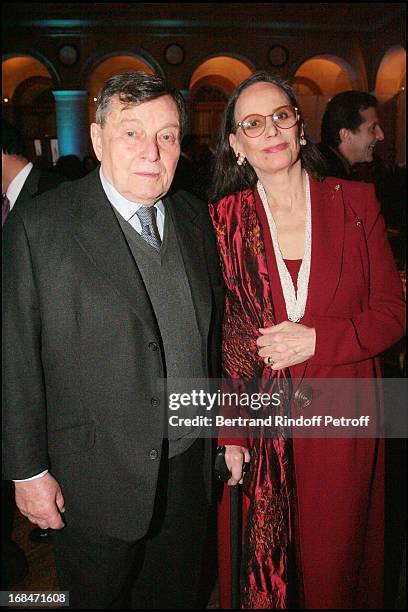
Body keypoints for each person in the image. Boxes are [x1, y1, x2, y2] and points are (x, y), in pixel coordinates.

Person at [2, 72, 223, 609]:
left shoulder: (195, 217)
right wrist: (27, 470)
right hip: (95, 478)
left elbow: (211, 335)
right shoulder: (40, 224)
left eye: (167, 135)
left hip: (189, 467)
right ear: (98, 140)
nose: (152, 150)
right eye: (132, 133)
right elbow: (14, 356)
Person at [208, 71, 405, 608]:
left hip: (343, 413)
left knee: (334, 565)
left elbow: (393, 312)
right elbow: (227, 333)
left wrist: (321, 339)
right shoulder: (222, 222)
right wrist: (231, 431)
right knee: (261, 568)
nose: (269, 130)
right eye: (252, 123)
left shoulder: (356, 204)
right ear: (236, 145)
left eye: (281, 116)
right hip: (260, 420)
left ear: (299, 128)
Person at [318, 90, 385, 180]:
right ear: (345, 135)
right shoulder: (328, 179)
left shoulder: (326, 168)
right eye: (373, 128)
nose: (381, 136)